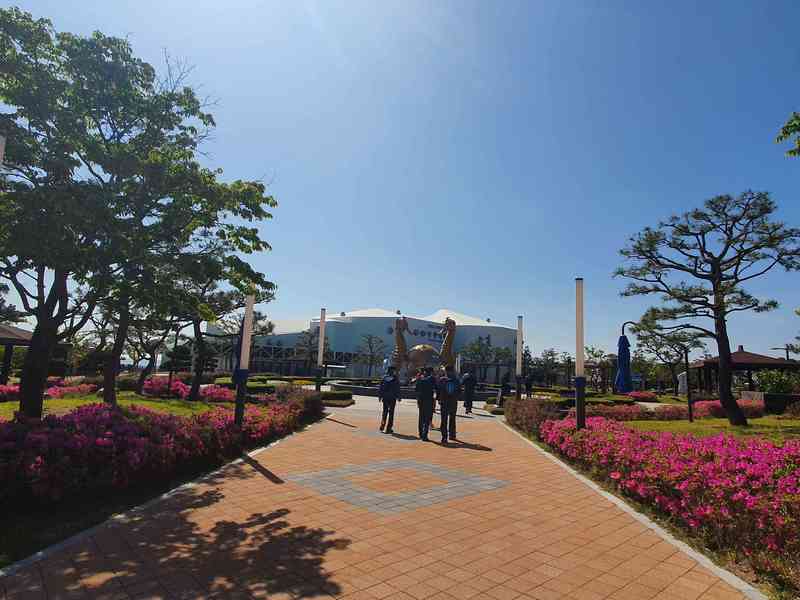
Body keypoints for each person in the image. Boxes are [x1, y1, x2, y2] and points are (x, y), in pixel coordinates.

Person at [437, 365, 462, 444]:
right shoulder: (456, 380)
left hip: (444, 402)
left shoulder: (442, 380)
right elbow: (459, 391)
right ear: (452, 371)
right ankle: (452, 435)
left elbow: (438, 390)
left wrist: (439, 399)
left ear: (446, 371)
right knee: (452, 419)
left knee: (444, 420)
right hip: (453, 402)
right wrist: (456, 397)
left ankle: (444, 437)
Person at [415, 366, 436, 441]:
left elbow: (416, 389)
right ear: (430, 372)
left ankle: (420, 434)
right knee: (427, 418)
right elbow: (436, 387)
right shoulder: (432, 379)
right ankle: (425, 435)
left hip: (421, 400)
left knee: (421, 417)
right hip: (429, 400)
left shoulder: (420, 378)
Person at [378, 366, 401, 434]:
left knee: (384, 412)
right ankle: (389, 428)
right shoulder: (395, 378)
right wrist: (398, 397)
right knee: (391, 413)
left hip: (385, 397)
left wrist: (380, 396)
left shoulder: (384, 378)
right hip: (392, 398)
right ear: (393, 371)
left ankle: (382, 426)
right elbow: (397, 388)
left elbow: (381, 388)